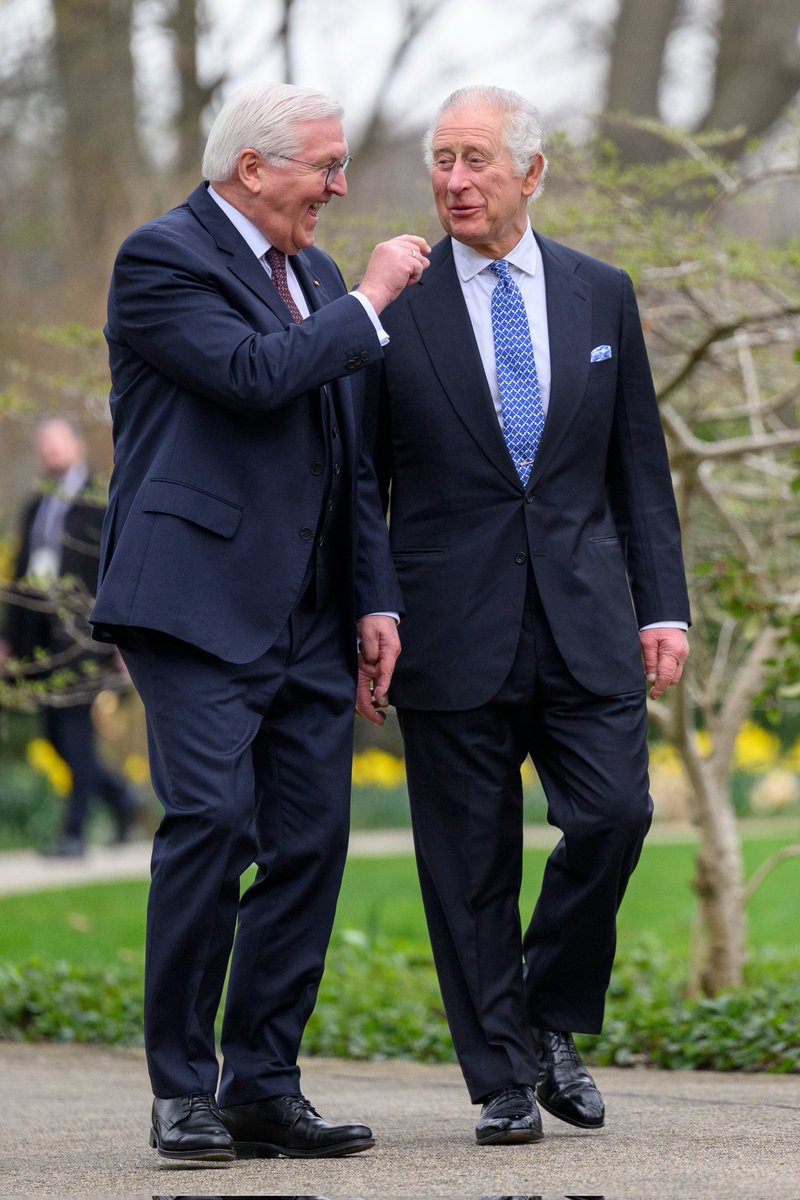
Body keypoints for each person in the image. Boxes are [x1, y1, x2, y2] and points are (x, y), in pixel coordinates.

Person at [90, 81, 429, 1163]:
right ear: (252, 170)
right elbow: (252, 376)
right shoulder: (163, 259)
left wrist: (374, 597)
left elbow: (350, 459)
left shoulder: (316, 277)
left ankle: (262, 1087)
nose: (336, 188)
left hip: (314, 614)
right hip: (193, 603)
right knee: (212, 824)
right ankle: (181, 1091)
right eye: (321, 169)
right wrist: (372, 298)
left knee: (309, 844)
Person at [366, 85, 690, 1146]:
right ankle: (500, 1078)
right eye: (441, 160)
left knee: (612, 817)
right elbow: (357, 482)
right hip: (446, 623)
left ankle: (549, 1016)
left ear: (531, 174)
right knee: (466, 866)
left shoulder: (601, 293)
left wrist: (665, 608)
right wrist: (369, 604)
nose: (454, 181)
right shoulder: (389, 307)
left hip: (585, 614)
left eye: (476, 161)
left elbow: (636, 466)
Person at [0, 417, 137, 857]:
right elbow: (21, 578)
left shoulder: (99, 500)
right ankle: (122, 800)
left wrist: (122, 639)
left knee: (76, 734)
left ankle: (74, 835)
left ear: (76, 446)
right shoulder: (36, 505)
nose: (52, 453)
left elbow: (115, 568)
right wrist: (7, 640)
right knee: (57, 740)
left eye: (59, 444)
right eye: (46, 446)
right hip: (42, 642)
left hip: (86, 636)